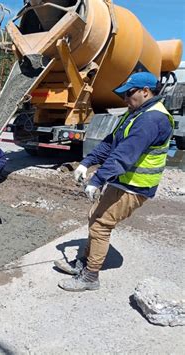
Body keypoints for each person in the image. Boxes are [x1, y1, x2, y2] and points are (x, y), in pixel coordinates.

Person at [56, 72, 174, 292]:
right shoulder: (136, 113)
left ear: (145, 92)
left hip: (135, 186)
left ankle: (90, 277)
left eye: (129, 94)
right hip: (123, 181)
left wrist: (98, 179)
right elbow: (111, 143)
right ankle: (84, 263)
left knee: (101, 224)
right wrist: (87, 163)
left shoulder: (151, 119)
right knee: (95, 217)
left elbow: (123, 156)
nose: (125, 100)